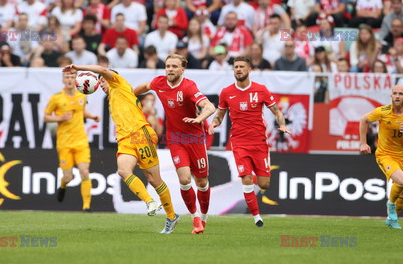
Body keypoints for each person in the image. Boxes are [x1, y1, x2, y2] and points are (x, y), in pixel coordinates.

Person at [62, 64, 180, 234]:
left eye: (103, 81)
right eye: (100, 83)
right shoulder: (113, 99)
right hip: (125, 140)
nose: (101, 84)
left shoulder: (119, 84)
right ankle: (149, 202)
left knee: (154, 180)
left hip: (141, 135)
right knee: (123, 171)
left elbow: (102, 70)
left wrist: (77, 67)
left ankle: (171, 216)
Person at [134, 54, 216, 234]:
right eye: (168, 66)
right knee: (185, 179)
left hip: (195, 139)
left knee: (202, 182)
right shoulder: (159, 82)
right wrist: (129, 97)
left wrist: (199, 119)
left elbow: (210, 107)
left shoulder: (188, 87)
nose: (170, 69)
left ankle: (203, 217)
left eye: (174, 66)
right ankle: (195, 219)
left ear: (182, 69)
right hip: (176, 139)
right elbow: (145, 86)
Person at [208, 56, 291, 227]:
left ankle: (254, 176)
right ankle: (256, 217)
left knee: (264, 184)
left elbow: (276, 112)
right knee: (246, 179)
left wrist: (282, 125)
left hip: (259, 142)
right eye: (236, 67)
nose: (238, 69)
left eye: (242, 66)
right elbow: (220, 114)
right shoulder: (226, 92)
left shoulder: (261, 90)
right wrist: (213, 123)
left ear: (249, 70)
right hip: (239, 142)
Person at [43, 71, 101, 211]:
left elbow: (81, 111)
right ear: (63, 80)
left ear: (76, 80)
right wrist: (60, 118)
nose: (69, 80)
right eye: (67, 77)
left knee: (85, 172)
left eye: (72, 77)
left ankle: (86, 206)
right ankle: (63, 185)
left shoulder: (81, 95)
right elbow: (46, 117)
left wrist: (92, 116)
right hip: (64, 143)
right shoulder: (56, 98)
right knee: (68, 177)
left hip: (80, 140)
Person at [359, 84, 403, 229]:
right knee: (401, 181)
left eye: (401, 94)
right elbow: (364, 120)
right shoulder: (383, 111)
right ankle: (391, 204)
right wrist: (363, 143)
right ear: (391, 96)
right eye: (395, 93)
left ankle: (391, 219)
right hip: (385, 154)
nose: (398, 96)